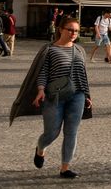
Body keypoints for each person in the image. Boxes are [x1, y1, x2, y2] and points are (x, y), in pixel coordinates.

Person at [30, 15, 91, 179]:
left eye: (76, 31)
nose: (73, 33)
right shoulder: (50, 49)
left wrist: (87, 94)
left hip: (77, 95)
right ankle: (40, 148)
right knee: (52, 132)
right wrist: (40, 89)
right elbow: (42, 72)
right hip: (54, 96)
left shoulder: (79, 50)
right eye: (70, 30)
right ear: (60, 30)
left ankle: (65, 168)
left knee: (71, 132)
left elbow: (82, 74)